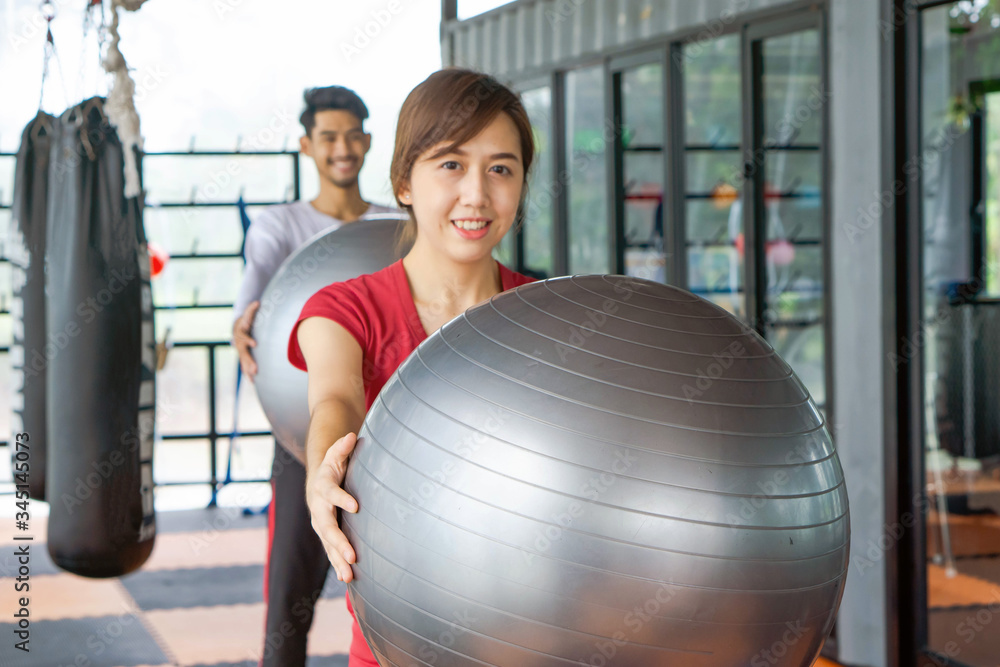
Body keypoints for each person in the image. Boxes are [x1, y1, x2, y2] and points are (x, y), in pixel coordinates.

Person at [286, 68, 536, 666]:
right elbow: (336, 402)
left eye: (500, 168)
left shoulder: (550, 315)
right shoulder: (343, 309)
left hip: (536, 636)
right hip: (399, 644)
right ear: (404, 181)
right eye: (451, 164)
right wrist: (324, 472)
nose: (476, 194)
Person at [230, 85, 398, 667]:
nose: (343, 148)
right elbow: (249, 311)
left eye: (353, 135)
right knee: (288, 609)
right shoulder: (280, 226)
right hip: (308, 441)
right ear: (307, 145)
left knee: (405, 605)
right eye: (329, 136)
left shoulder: (399, 225)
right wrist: (242, 325)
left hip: (399, 444)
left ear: (369, 142)